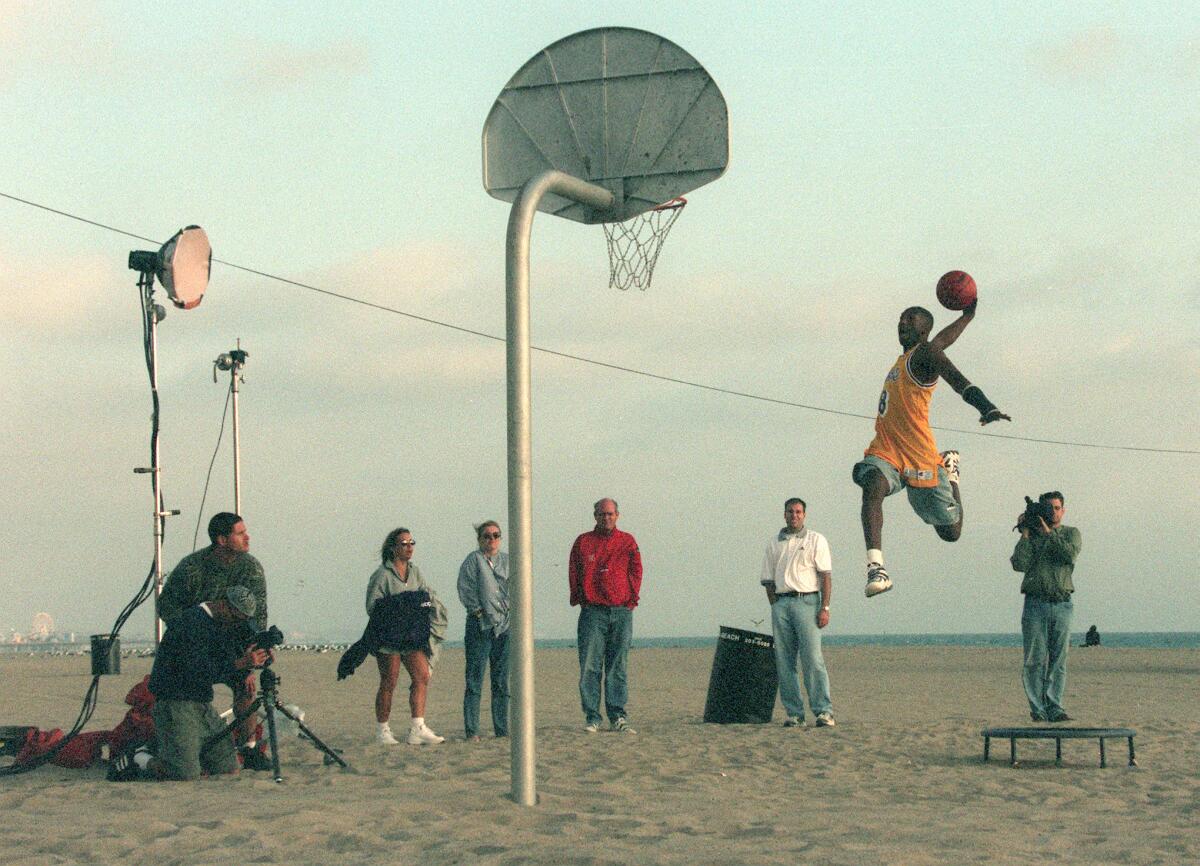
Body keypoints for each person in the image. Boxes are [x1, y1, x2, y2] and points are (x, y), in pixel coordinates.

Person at [852, 301, 1010, 598]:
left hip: (920, 454)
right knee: (871, 482)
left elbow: (957, 379)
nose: (902, 322)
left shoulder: (925, 354)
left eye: (910, 319)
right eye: (900, 318)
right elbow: (943, 340)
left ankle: (950, 474)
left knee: (951, 533)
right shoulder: (909, 357)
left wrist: (986, 407)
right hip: (887, 449)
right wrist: (968, 316)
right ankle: (877, 568)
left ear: (924, 329)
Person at [157, 512, 268, 744]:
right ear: (222, 540)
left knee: (245, 688)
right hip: (195, 641)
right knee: (188, 688)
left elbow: (256, 617)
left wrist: (252, 654)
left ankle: (249, 746)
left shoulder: (250, 568)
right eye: (240, 534)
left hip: (230, 642)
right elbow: (166, 605)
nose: (248, 537)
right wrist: (188, 631)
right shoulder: (192, 568)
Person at [146, 586, 270, 780]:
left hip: (201, 703)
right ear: (224, 606)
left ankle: (180, 752)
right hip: (176, 702)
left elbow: (222, 664)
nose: (237, 624)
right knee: (184, 774)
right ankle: (141, 758)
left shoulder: (219, 626)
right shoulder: (190, 623)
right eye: (237, 618)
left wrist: (245, 670)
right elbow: (195, 670)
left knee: (229, 766)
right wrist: (240, 664)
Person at [365, 527, 448, 746]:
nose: (409, 547)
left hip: (411, 636)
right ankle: (382, 729)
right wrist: (399, 607)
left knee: (421, 675)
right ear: (393, 548)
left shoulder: (416, 572)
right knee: (389, 680)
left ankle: (417, 727)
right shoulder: (382, 575)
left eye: (412, 543)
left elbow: (426, 597)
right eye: (404, 543)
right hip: (389, 637)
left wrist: (421, 605)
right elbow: (372, 606)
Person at [569, 498, 642, 734]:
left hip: (621, 611)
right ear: (595, 516)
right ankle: (592, 717)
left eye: (610, 514)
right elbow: (574, 571)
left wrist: (632, 598)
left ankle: (618, 715)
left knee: (617, 666)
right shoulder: (583, 542)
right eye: (602, 514)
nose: (606, 518)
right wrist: (581, 598)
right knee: (590, 666)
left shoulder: (627, 541)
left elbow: (636, 570)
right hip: (593, 612)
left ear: (617, 515)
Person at [760, 498, 835, 728]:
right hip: (782, 603)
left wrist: (825, 607)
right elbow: (768, 580)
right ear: (784, 514)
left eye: (798, 512)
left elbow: (825, 577)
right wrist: (775, 605)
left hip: (808, 602)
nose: (794, 515)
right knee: (784, 662)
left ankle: (824, 712)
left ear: (804, 515)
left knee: (812, 659)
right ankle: (795, 713)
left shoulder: (816, 540)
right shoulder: (774, 543)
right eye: (790, 512)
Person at [1011, 491, 1082, 723]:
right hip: (1035, 603)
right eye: (1049, 508)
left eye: (1057, 507)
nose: (1053, 512)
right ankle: (1038, 708)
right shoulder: (1033, 537)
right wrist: (1025, 534)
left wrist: (1048, 533)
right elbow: (1019, 564)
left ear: (1063, 510)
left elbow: (1069, 555)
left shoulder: (1071, 533)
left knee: (1058, 659)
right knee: (1034, 659)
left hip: (1061, 603)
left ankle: (1055, 705)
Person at [457, 521, 510, 741]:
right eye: (487, 536)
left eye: (496, 535)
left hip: (505, 626)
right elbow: (466, 588)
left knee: (501, 681)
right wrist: (479, 612)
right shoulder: (473, 560)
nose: (492, 540)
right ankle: (472, 730)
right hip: (480, 627)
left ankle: (501, 729)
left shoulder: (508, 561)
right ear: (480, 539)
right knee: (475, 679)